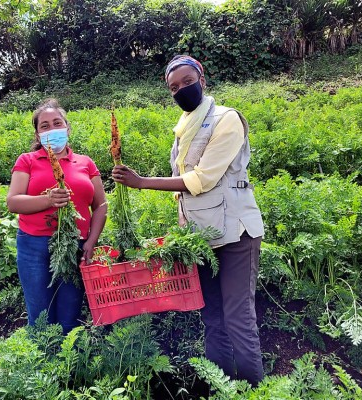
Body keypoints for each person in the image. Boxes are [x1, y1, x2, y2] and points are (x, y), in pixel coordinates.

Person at [112, 55, 265, 386]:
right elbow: (180, 186)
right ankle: (220, 385)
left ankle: (256, 389)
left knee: (238, 317)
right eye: (173, 87)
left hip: (236, 233)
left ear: (202, 80)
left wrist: (142, 182)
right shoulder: (182, 130)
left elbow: (202, 179)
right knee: (212, 317)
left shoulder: (227, 119)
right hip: (201, 236)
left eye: (186, 82)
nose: (181, 90)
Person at [7, 98, 107, 334]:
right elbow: (13, 202)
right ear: (38, 133)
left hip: (75, 245)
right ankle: (43, 364)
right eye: (44, 126)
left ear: (67, 127)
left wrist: (91, 242)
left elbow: (100, 205)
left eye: (56, 123)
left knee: (70, 313)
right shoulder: (27, 161)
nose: (52, 129)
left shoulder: (85, 162)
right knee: (41, 316)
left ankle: (68, 365)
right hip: (34, 246)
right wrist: (47, 200)